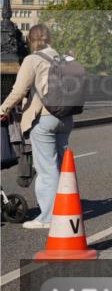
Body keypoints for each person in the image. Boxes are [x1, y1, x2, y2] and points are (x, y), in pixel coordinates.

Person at [0, 25, 75, 230]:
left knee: (46, 169)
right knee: (59, 167)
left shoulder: (33, 60)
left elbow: (19, 90)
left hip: (44, 118)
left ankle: (48, 217)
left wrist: (3, 108)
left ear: (30, 40)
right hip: (66, 118)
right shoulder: (63, 59)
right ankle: (65, 209)